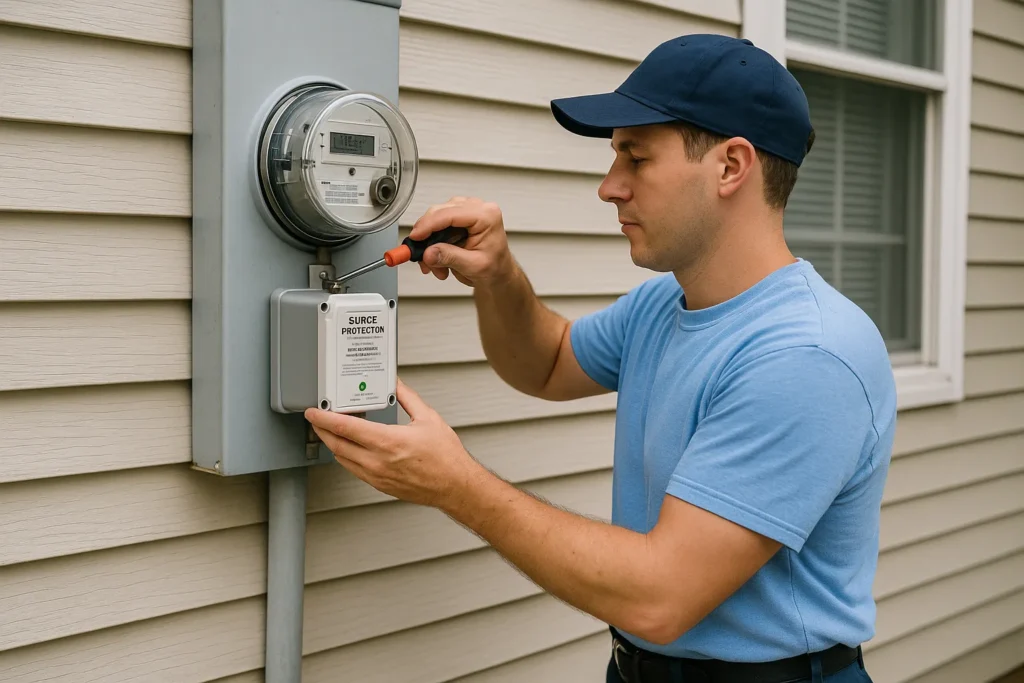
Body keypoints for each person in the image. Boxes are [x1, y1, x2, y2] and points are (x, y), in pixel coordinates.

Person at [305, 33, 896, 683]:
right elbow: (548, 362)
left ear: (731, 166)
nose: (609, 187)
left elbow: (662, 596)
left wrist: (456, 485)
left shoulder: (806, 354)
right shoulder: (665, 304)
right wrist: (498, 275)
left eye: (635, 158)